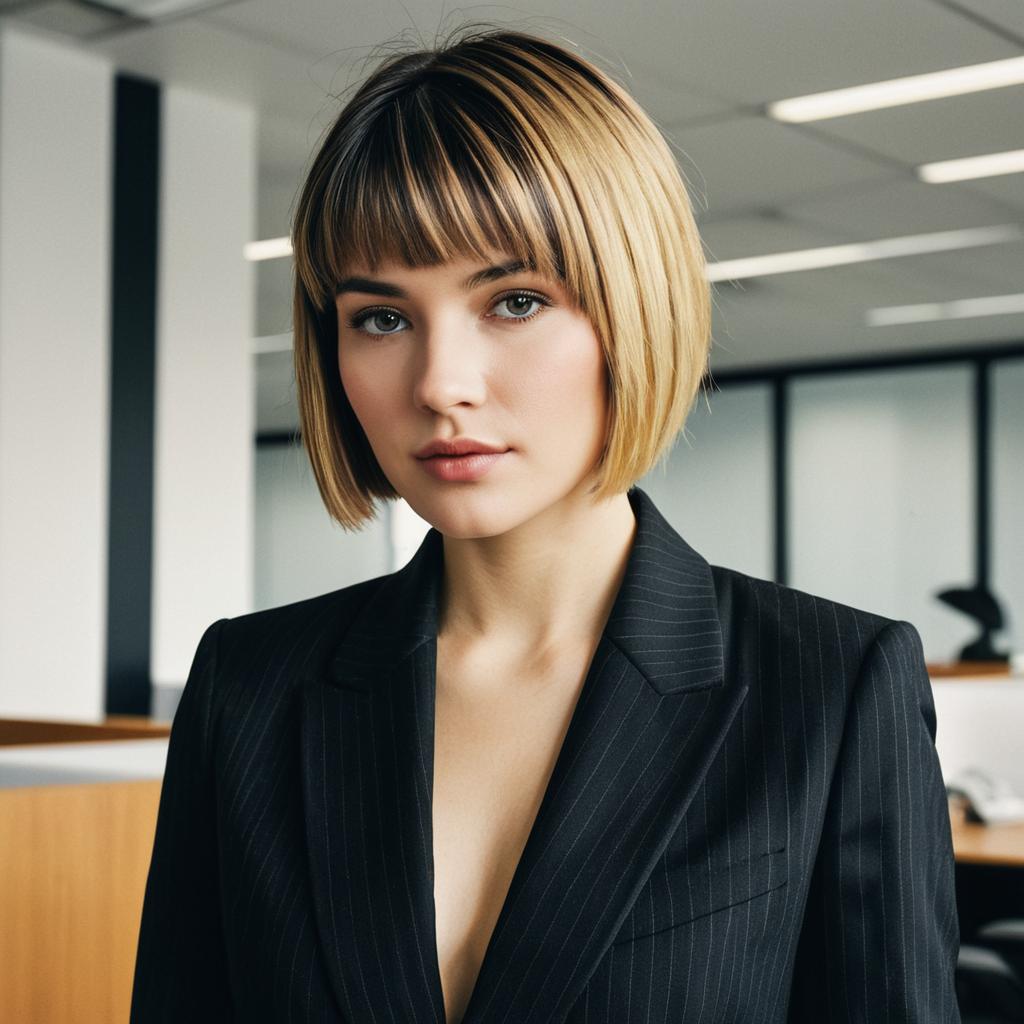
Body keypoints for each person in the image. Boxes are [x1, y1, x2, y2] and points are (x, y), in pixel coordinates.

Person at [130, 25, 961, 1024]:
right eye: (381, 317)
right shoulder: (250, 687)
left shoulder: (829, 686)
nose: (440, 384)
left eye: (515, 300)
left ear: (631, 308)